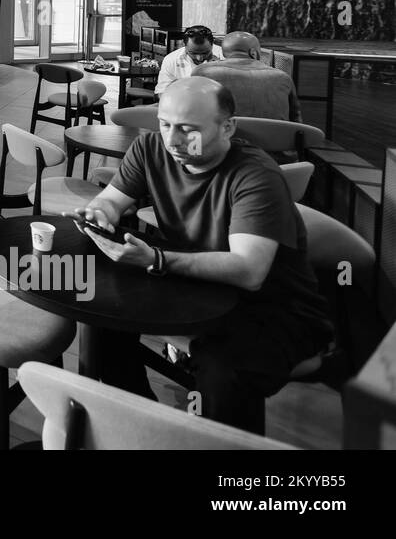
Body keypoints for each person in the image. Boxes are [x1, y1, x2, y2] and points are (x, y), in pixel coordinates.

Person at [67, 77, 332, 433]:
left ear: (228, 127)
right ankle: (145, 427)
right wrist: (99, 212)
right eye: (165, 125)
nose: (173, 140)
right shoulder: (150, 149)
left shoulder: (255, 175)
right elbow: (112, 200)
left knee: (225, 370)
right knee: (104, 319)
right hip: (197, 289)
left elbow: (249, 270)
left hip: (275, 307)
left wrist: (157, 260)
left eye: (188, 129)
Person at [196, 31, 300, 121]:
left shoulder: (202, 72)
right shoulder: (282, 77)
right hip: (272, 142)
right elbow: (296, 121)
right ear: (253, 53)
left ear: (224, 53)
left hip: (224, 140)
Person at [153, 24, 224, 95]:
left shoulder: (223, 57)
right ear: (184, 44)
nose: (199, 58)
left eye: (205, 53)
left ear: (212, 44)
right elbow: (162, 91)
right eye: (193, 53)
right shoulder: (172, 60)